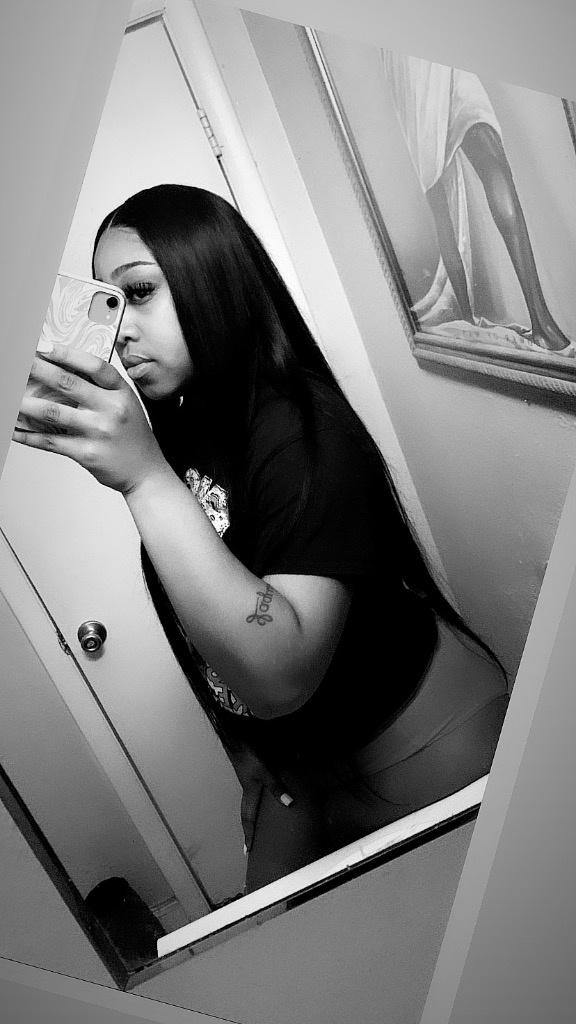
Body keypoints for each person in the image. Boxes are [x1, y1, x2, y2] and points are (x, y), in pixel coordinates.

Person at [13, 185, 509, 893]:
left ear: (211, 279)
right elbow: (199, 611)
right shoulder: (182, 422)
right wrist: (245, 750)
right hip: (302, 757)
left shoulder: (304, 430)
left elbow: (280, 671)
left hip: (424, 731)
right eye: (109, 303)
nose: (119, 329)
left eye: (140, 292)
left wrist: (143, 480)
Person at [382, 52, 572, 351]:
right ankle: (541, 324)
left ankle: (486, 319)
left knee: (438, 191)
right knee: (484, 157)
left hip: (408, 63)